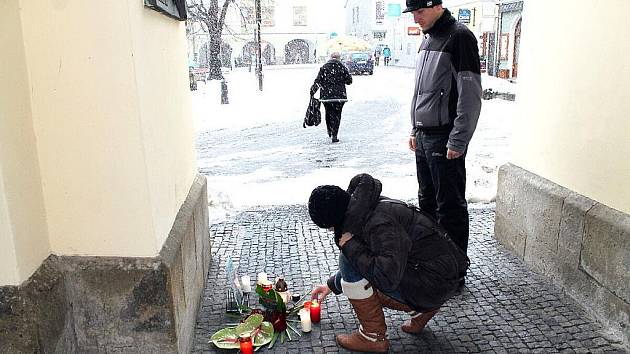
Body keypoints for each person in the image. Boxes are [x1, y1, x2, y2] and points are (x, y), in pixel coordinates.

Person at [309, 173, 469, 353]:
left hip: (434, 284)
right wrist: (332, 285)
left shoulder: (379, 224)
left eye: (329, 227)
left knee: (349, 257)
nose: (332, 231)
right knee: (356, 255)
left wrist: (350, 245)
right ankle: (420, 312)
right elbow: (374, 259)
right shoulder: (363, 206)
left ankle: (372, 336)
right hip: (435, 276)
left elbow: (385, 278)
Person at [405, 0, 482, 268]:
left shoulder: (459, 37)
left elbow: (470, 95)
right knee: (426, 204)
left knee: (449, 207)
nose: (416, 17)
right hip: (425, 136)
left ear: (437, 6)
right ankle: (432, 264)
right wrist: (415, 128)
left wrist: (458, 139)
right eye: (413, 12)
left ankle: (454, 269)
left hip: (445, 137)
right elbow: (419, 92)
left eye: (420, 11)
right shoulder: (427, 39)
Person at [310, 52, 353, 143]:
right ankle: (335, 134)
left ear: (331, 58)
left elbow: (318, 80)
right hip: (339, 96)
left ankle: (329, 130)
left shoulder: (324, 67)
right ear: (339, 58)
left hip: (326, 96)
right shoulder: (342, 67)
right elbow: (349, 81)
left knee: (328, 113)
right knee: (337, 115)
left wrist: (312, 91)